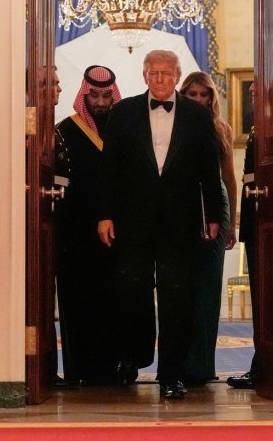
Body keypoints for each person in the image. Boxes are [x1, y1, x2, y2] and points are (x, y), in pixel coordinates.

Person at [97, 49, 223, 400]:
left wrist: (213, 216)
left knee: (177, 297)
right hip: (132, 220)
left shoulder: (197, 115)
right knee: (132, 291)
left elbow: (208, 169)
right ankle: (132, 359)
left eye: (167, 73)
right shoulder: (123, 112)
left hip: (180, 222)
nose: (160, 79)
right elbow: (109, 169)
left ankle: (172, 374)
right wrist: (105, 215)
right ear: (144, 76)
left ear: (178, 76)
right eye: (154, 73)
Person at [54, 65, 122, 385]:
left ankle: (115, 369)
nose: (100, 102)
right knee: (79, 302)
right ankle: (79, 371)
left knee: (115, 303)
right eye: (93, 96)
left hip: (118, 236)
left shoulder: (125, 129)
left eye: (106, 96)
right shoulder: (65, 131)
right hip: (77, 235)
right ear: (84, 95)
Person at [179, 72, 237, 385]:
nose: (199, 100)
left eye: (205, 94)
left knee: (208, 285)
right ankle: (177, 364)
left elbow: (229, 177)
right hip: (181, 204)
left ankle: (201, 366)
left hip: (216, 204)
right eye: (193, 94)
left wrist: (232, 224)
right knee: (181, 283)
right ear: (183, 94)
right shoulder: (172, 122)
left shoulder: (220, 128)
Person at [227, 81, 258, 389]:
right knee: (262, 302)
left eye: (257, 89)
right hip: (257, 225)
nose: (252, 93)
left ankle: (266, 366)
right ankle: (261, 365)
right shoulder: (257, 129)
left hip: (272, 225)